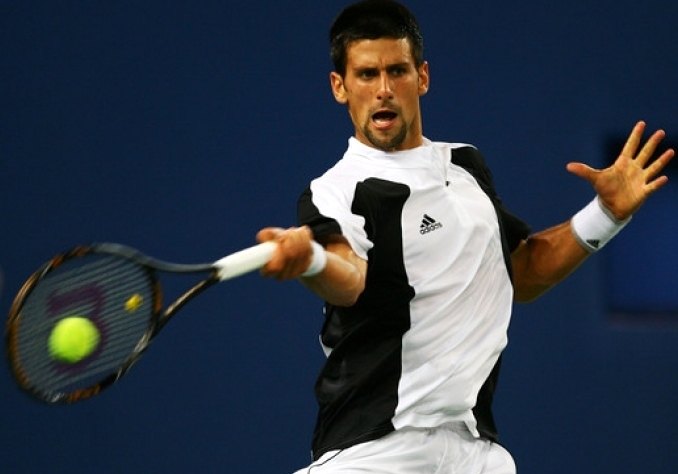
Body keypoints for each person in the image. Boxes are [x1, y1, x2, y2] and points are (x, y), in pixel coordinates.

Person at [255, 1, 675, 472]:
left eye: (397, 71)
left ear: (422, 77)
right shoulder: (335, 190)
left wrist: (606, 215)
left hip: (475, 451)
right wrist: (311, 261)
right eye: (367, 75)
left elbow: (521, 273)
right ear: (340, 87)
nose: (384, 90)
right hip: (374, 451)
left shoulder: (465, 165)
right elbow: (350, 277)